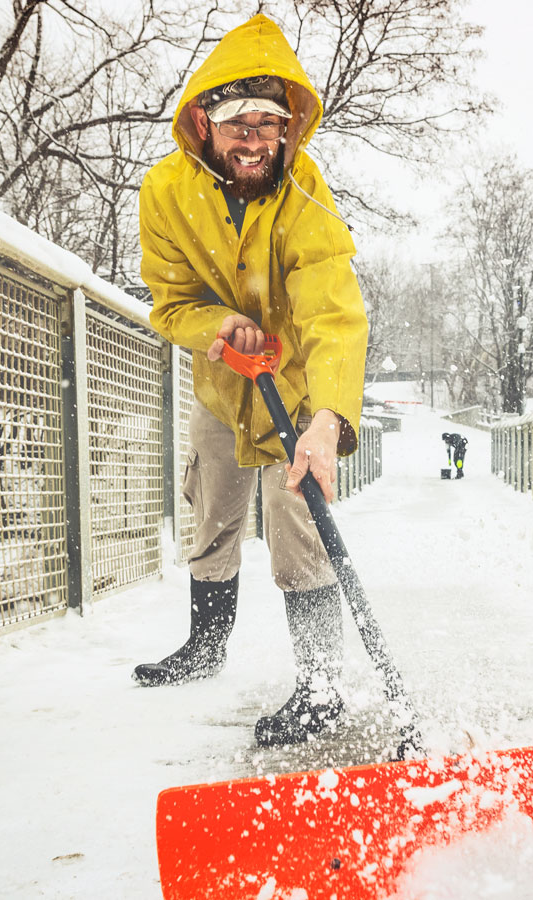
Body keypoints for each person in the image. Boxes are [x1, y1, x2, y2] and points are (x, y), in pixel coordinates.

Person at [131, 14, 368, 749]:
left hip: (293, 385)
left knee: (298, 522)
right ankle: (205, 648)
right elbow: (169, 302)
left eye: (269, 121)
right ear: (203, 121)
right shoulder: (165, 191)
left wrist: (327, 417)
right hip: (221, 386)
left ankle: (321, 689)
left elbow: (332, 305)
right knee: (214, 514)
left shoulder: (304, 190)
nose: (255, 138)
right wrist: (217, 326)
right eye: (239, 121)